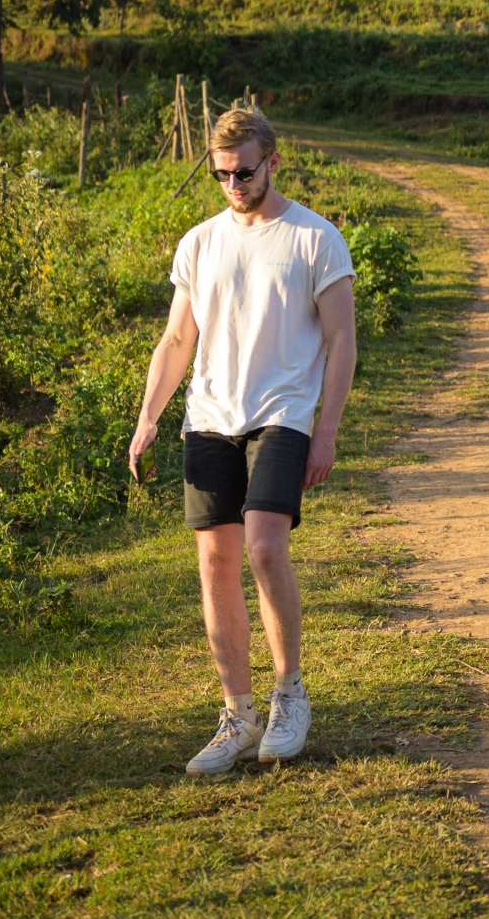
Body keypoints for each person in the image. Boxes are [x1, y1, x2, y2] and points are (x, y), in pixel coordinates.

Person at [127, 108, 357, 774]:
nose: (232, 182)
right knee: (214, 562)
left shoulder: (316, 238)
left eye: (244, 171)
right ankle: (237, 713)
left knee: (262, 545)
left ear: (273, 162)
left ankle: (290, 692)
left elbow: (342, 340)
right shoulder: (200, 242)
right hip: (209, 416)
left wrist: (327, 429)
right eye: (221, 172)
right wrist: (147, 418)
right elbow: (177, 339)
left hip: (283, 412)